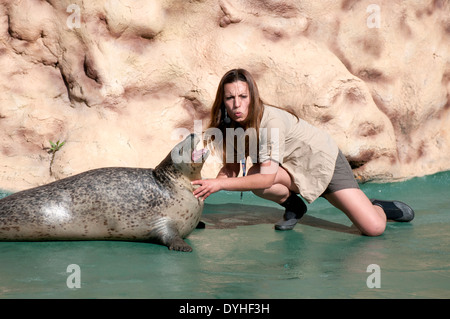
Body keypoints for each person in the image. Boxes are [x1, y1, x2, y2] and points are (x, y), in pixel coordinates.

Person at [191, 68, 414, 236]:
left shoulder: (271, 122)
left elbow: (267, 177)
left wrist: (219, 184)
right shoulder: (231, 126)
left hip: (323, 163)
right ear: (223, 101)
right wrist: (208, 188)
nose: (236, 104)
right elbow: (231, 168)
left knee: (373, 228)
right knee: (254, 177)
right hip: (290, 170)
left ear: (253, 97)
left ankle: (376, 206)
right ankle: (294, 205)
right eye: (230, 98)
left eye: (243, 97)